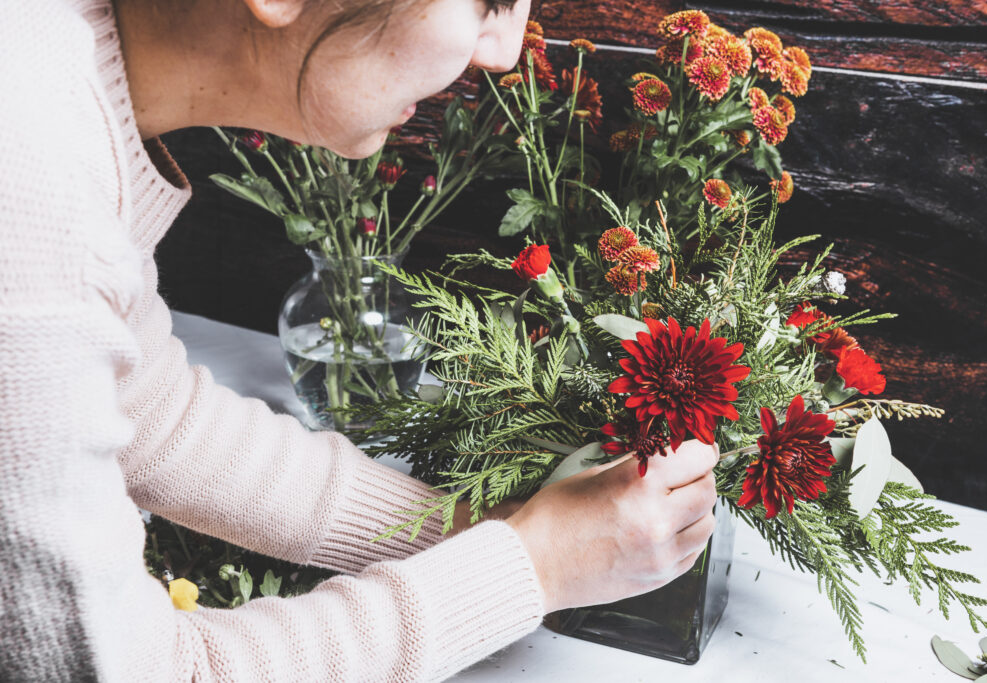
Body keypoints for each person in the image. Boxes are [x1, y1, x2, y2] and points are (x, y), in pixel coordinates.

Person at [0, 0, 719, 680]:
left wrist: (484, 531)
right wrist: (531, 568)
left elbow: (154, 420)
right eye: (490, 1)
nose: (504, 53)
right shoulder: (33, 194)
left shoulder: (53, 74)